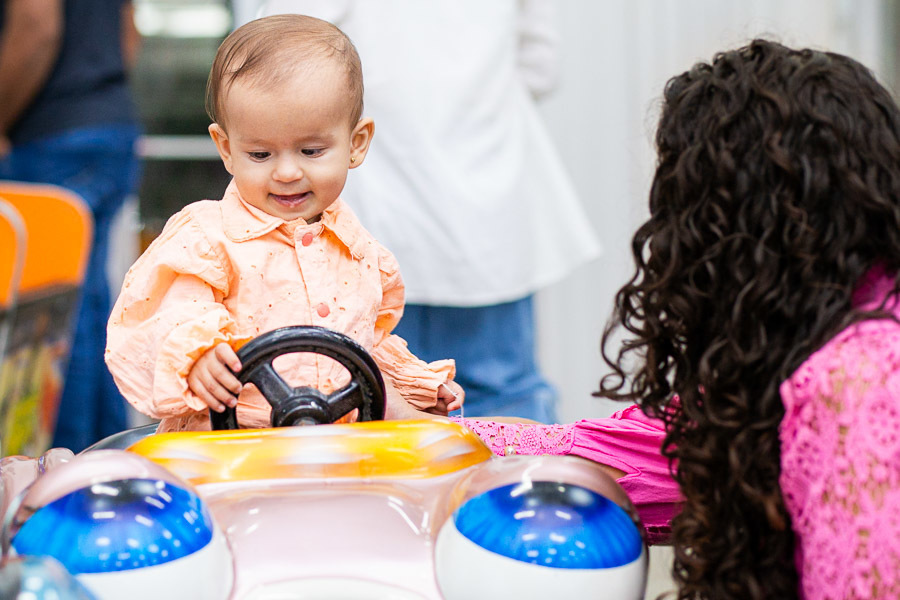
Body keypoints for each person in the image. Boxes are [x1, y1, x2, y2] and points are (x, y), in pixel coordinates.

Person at [407, 39, 900, 600]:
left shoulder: (862, 378)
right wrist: (413, 430)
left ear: (739, 223)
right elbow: (603, 457)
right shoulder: (787, 359)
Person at [105, 14, 463, 433]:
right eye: (261, 155)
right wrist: (195, 355)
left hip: (337, 449)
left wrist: (414, 386)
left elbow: (363, 346)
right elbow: (169, 314)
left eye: (311, 151)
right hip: (227, 451)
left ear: (356, 143)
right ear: (226, 148)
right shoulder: (206, 242)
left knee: (441, 450)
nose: (287, 172)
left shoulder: (357, 250)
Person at [250, 0, 601, 423]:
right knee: (505, 397)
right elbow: (541, 66)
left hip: (374, 202)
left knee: (370, 394)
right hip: (487, 197)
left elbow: (280, 51)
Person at [0, 0, 143, 452]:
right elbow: (129, 37)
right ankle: (107, 456)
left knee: (54, 316)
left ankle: (61, 468)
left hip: (51, 134)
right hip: (108, 124)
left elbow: (37, 22)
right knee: (90, 305)